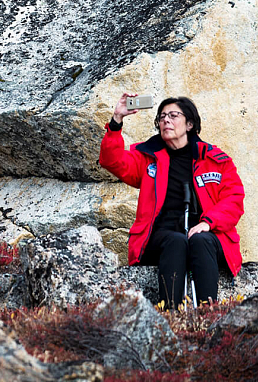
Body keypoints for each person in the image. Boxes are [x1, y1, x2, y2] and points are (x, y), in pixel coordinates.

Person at [99, 94, 245, 308]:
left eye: (174, 115)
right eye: (162, 116)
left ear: (189, 124)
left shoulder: (214, 159)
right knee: (176, 241)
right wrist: (116, 120)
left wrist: (207, 223)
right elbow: (112, 161)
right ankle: (170, 316)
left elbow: (234, 198)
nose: (166, 120)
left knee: (200, 240)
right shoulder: (147, 156)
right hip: (159, 239)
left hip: (207, 235)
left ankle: (208, 315)